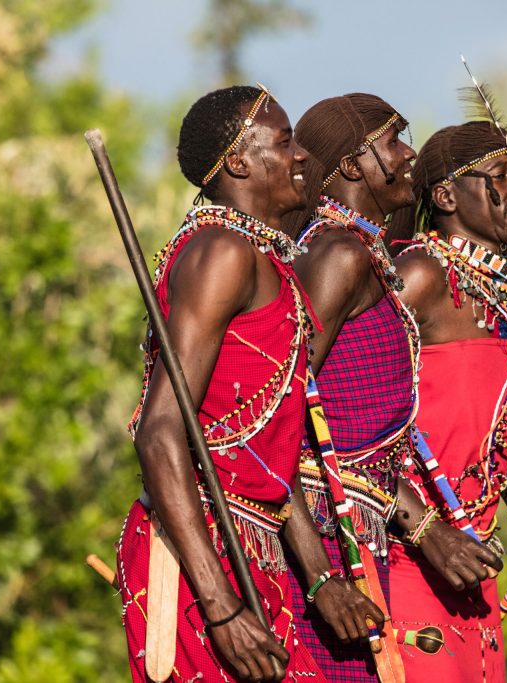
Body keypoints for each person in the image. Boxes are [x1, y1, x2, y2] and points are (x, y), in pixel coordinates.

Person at [117, 85, 381, 683]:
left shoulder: (269, 263)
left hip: (250, 547)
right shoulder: (222, 254)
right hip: (200, 556)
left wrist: (318, 578)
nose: (303, 157)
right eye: (284, 141)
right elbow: (159, 433)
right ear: (238, 161)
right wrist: (221, 606)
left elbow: (258, 451)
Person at [281, 94, 504, 682]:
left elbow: (373, 432)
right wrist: (323, 579)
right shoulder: (337, 255)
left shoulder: (366, 254)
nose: (410, 155)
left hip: (358, 533)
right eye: (395, 141)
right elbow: (284, 415)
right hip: (325, 541)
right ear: (354, 166)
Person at [385, 119, 507, 682]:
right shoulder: (417, 275)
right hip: (408, 555)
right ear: (444, 196)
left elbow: (497, 426)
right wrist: (425, 531)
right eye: (501, 175)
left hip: (474, 559)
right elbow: (348, 422)